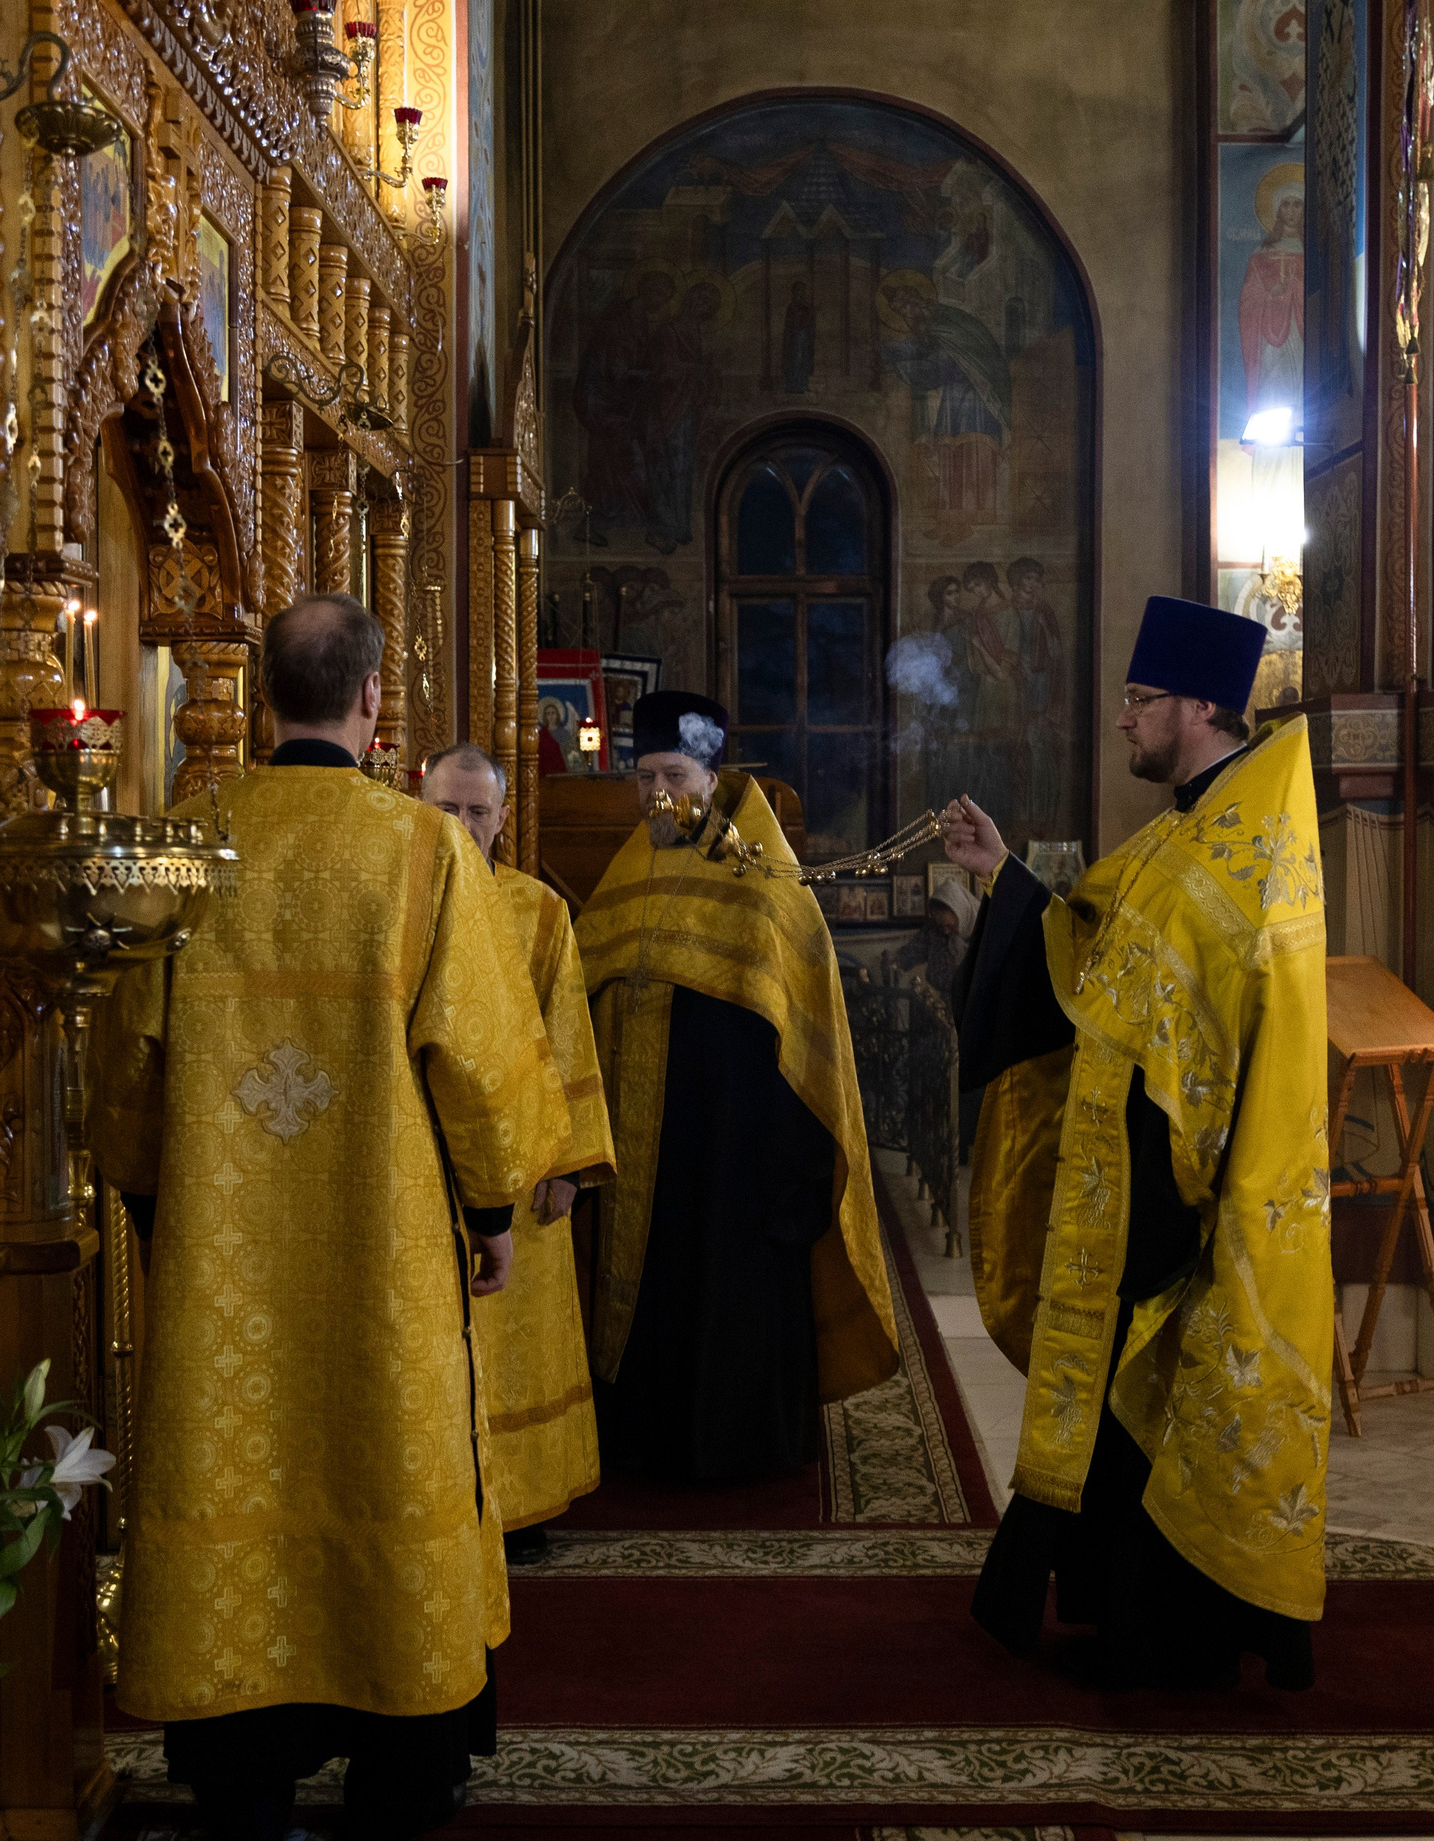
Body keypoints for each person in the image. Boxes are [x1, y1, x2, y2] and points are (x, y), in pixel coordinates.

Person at [90, 596, 565, 1841]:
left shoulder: (183, 843)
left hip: (219, 1253)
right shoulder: (422, 852)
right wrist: (493, 1206)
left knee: (234, 1452)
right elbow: (482, 1065)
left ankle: (239, 1773)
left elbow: (123, 1068)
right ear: (370, 701)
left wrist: (158, 1205)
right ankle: (404, 1765)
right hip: (387, 1249)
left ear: (262, 701)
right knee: (389, 1457)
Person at [943, 594, 1330, 1693]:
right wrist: (1005, 877)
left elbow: (1225, 1018)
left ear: (1200, 704)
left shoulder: (1251, 840)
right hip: (1125, 1179)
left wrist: (1195, 1184)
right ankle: (1118, 1607)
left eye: (1138, 699)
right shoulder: (1183, 828)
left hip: (1186, 1187)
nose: (1122, 719)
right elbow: (1092, 941)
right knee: (1116, 1397)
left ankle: (1179, 1636)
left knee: (1167, 1390)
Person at [572, 690, 899, 1482]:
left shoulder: (760, 868)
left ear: (713, 776)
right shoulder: (631, 862)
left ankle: (735, 1450)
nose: (657, 794)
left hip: (736, 1143)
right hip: (643, 1135)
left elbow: (800, 1011)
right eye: (644, 775)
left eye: (674, 773)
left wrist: (786, 1166)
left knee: (725, 1290)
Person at [421, 742, 616, 1558]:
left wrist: (569, 1163)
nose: (462, 825)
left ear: (504, 817)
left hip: (523, 1161)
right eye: (446, 808)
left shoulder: (540, 911)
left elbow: (566, 1033)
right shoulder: (400, 902)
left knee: (516, 1336)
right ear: (417, 804)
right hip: (425, 1157)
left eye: (477, 810)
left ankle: (525, 1502)